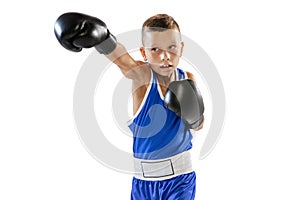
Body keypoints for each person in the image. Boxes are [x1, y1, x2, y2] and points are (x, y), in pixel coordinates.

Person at [54, 12, 205, 200]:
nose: (165, 56)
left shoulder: (187, 78)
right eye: (155, 49)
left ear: (181, 48)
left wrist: (195, 115)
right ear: (144, 53)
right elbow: (123, 60)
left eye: (172, 47)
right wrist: (102, 38)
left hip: (180, 180)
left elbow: (198, 125)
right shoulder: (143, 76)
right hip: (143, 182)